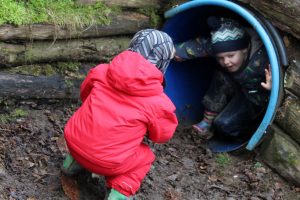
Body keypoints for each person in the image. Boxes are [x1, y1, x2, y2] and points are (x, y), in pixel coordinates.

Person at [61, 29, 178, 200]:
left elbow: (85, 94)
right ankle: (119, 194)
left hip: (73, 141)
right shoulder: (158, 103)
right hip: (106, 162)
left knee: (91, 130)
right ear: (162, 63)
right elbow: (161, 136)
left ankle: (70, 165)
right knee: (145, 156)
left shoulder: (101, 71)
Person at [174, 16, 272, 140]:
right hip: (239, 84)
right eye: (220, 58)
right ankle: (206, 122)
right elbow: (200, 46)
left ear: (245, 50)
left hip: (254, 97)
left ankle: (245, 136)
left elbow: (281, 89)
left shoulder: (262, 59)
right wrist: (173, 51)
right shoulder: (222, 47)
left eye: (231, 56)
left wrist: (271, 89)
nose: (226, 62)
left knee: (224, 125)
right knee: (221, 77)